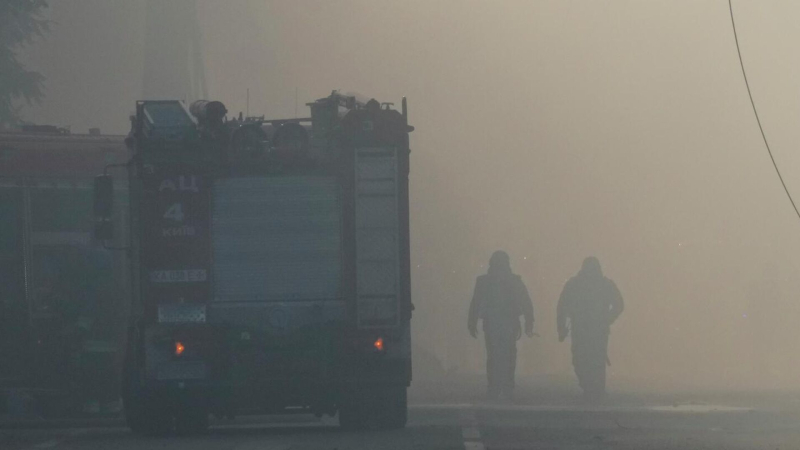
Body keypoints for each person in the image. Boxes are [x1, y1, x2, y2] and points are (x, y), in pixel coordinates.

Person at [468, 251, 534, 401]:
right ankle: (501, 387)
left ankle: (499, 387)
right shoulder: (511, 281)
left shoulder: (486, 281)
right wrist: (529, 322)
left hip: (501, 323)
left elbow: (475, 303)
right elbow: (526, 303)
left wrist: (472, 321)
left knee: (498, 356)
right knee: (503, 355)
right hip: (500, 323)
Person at [557, 257, 624, 401]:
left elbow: (619, 304)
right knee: (582, 359)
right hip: (584, 328)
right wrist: (561, 327)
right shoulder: (576, 285)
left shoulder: (600, 285)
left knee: (595, 359)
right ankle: (589, 387)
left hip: (594, 328)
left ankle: (596, 390)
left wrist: (608, 319)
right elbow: (562, 306)